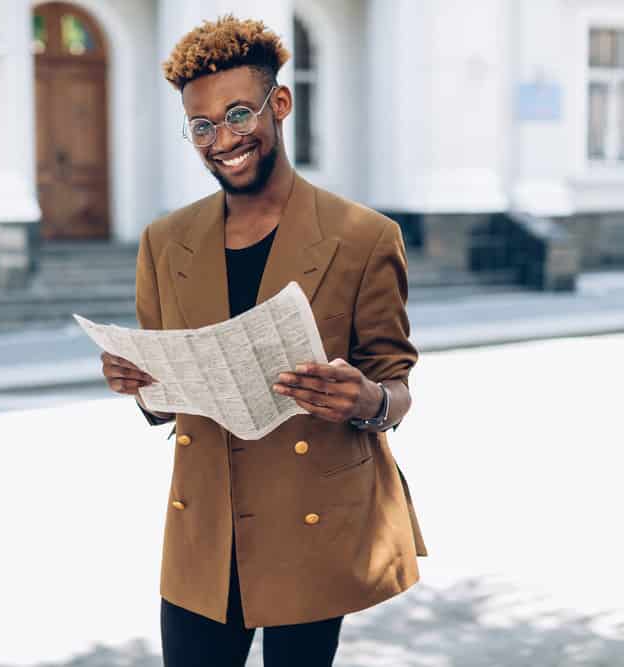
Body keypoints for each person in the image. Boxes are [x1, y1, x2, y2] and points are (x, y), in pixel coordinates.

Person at [99, 14, 428, 667]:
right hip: (204, 526)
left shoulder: (364, 237)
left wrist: (364, 397)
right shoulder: (164, 242)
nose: (223, 139)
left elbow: (396, 388)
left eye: (239, 113)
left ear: (279, 104)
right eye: (201, 125)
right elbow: (167, 399)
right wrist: (141, 387)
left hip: (308, 520)